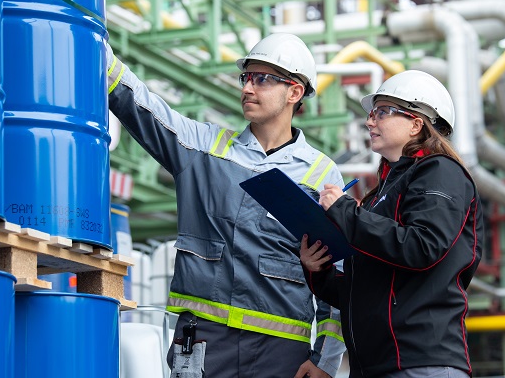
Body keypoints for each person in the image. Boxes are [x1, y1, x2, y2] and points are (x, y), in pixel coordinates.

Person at [106, 32, 346, 377]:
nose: (248, 88)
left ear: (294, 92)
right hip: (203, 340)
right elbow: (145, 109)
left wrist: (325, 359)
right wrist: (101, 55)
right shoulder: (205, 150)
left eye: (262, 79)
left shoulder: (320, 174)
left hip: (280, 349)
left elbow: (335, 276)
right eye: (246, 77)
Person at [299, 70, 484, 377]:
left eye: (383, 112)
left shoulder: (440, 171)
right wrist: (319, 271)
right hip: (375, 366)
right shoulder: (378, 196)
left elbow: (422, 247)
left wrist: (346, 212)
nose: (370, 122)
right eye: (372, 114)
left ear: (416, 123)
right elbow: (363, 290)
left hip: (421, 362)